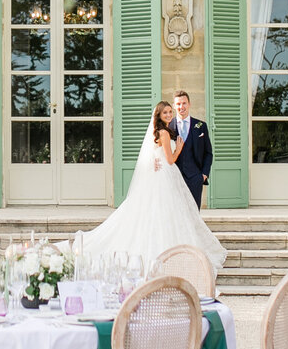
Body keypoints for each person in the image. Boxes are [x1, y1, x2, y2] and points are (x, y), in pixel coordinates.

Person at [74, 100, 226, 275]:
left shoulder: (162, 131)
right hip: (166, 175)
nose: (169, 115)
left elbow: (155, 152)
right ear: (159, 116)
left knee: (162, 213)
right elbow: (170, 160)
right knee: (168, 213)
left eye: (170, 112)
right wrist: (179, 148)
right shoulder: (165, 133)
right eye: (165, 113)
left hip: (164, 175)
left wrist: (156, 158)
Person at [171, 89, 212, 211]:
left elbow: (208, 153)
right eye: (178, 104)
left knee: (194, 213)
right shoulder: (168, 127)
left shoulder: (200, 126)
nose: (181, 107)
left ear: (189, 104)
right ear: (174, 106)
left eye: (184, 103)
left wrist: (204, 175)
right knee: (175, 214)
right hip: (173, 178)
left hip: (195, 178)